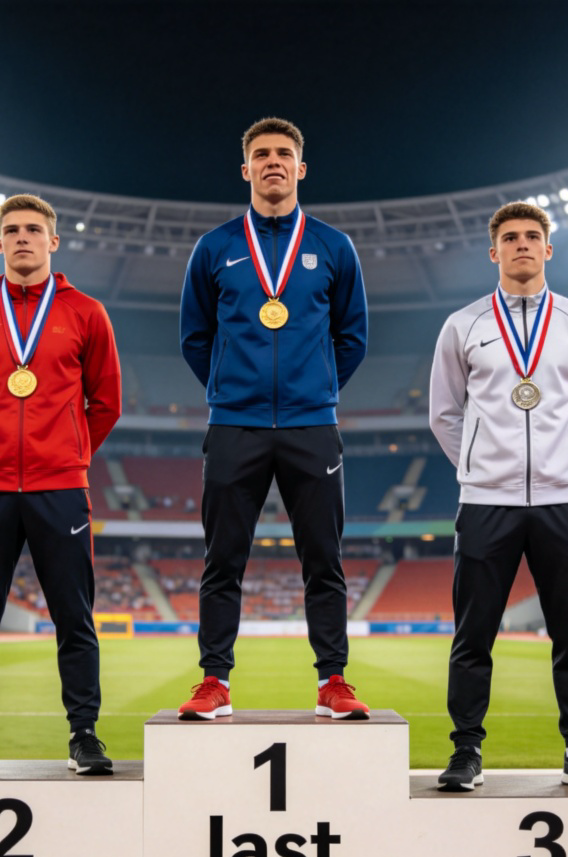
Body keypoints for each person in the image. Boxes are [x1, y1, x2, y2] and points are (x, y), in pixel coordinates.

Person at [179, 116, 369, 721]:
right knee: (222, 559)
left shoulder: (334, 247)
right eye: (261, 154)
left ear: (301, 168)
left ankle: (333, 681)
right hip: (235, 424)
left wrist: (312, 390)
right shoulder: (214, 248)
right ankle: (214, 681)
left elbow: (352, 336)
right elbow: (195, 337)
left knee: (324, 559)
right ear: (246, 169)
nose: (273, 162)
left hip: (313, 426)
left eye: (284, 153)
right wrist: (232, 389)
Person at [429, 201, 568, 791]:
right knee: (474, 633)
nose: (521, 245)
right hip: (486, 500)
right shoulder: (464, 325)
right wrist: (484, 465)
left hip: (563, 500)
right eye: (510, 237)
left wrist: (563, 462)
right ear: (494, 252)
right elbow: (444, 414)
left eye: (532, 237)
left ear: (548, 249)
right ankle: (466, 752)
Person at [0, 194, 122, 775]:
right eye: (11, 230)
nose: (22, 238)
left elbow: (106, 402)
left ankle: (84, 735)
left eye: (33, 230)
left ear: (53, 241)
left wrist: (65, 453)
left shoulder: (86, 312)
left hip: (59, 486)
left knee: (74, 615)